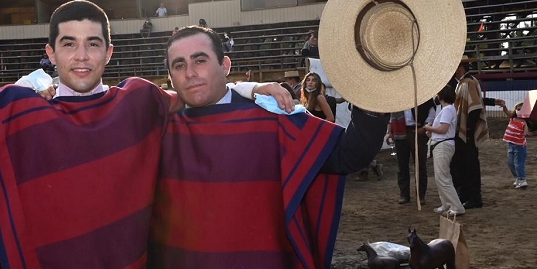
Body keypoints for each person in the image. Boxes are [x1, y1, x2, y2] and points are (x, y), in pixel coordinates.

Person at [0, 0, 290, 267]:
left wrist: (250, 88)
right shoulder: (19, 110)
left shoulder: (139, 101)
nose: (81, 56)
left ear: (109, 52)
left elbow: (196, 92)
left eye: (93, 44)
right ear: (51, 53)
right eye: (69, 44)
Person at [151, 25, 389, 266]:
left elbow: (349, 154)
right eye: (179, 65)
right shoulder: (158, 130)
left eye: (200, 60)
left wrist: (374, 86)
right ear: (170, 76)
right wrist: (248, 88)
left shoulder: (272, 117)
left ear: (225, 65)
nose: (190, 73)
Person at [451, 56, 503, 209]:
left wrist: (468, 129)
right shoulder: (466, 82)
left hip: (466, 132)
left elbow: (474, 107)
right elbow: (477, 102)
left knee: (469, 164)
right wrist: (493, 101)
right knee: (464, 163)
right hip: (465, 131)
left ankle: (473, 196)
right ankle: (467, 194)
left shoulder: (468, 83)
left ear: (460, 68)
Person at [423, 85, 465, 216]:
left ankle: (456, 206)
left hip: (443, 145)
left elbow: (443, 129)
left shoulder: (447, 110)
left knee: (443, 177)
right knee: (440, 176)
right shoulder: (446, 109)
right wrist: (431, 132)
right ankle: (446, 203)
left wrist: (429, 128)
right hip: (441, 143)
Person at [388, 98, 436, 205]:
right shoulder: (398, 98)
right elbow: (392, 115)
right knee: (402, 165)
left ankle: (420, 195)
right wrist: (390, 131)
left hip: (417, 130)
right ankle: (404, 194)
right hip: (400, 130)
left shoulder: (423, 96)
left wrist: (424, 127)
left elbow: (431, 111)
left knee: (420, 164)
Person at [497, 101, 529, 189]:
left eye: (521, 110)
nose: (519, 111)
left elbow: (526, 133)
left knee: (519, 164)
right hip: (511, 145)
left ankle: (522, 179)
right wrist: (504, 106)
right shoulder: (512, 118)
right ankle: (518, 178)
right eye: (518, 109)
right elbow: (506, 111)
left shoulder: (524, 122)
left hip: (520, 146)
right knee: (510, 163)